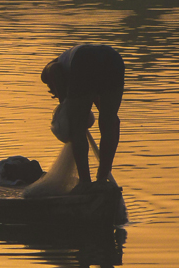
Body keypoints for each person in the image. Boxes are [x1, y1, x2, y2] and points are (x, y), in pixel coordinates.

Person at [41, 44, 124, 192]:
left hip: (85, 61)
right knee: (110, 121)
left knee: (76, 125)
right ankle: (102, 180)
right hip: (114, 60)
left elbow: (54, 70)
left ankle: (85, 183)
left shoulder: (49, 71)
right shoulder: (71, 67)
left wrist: (66, 106)